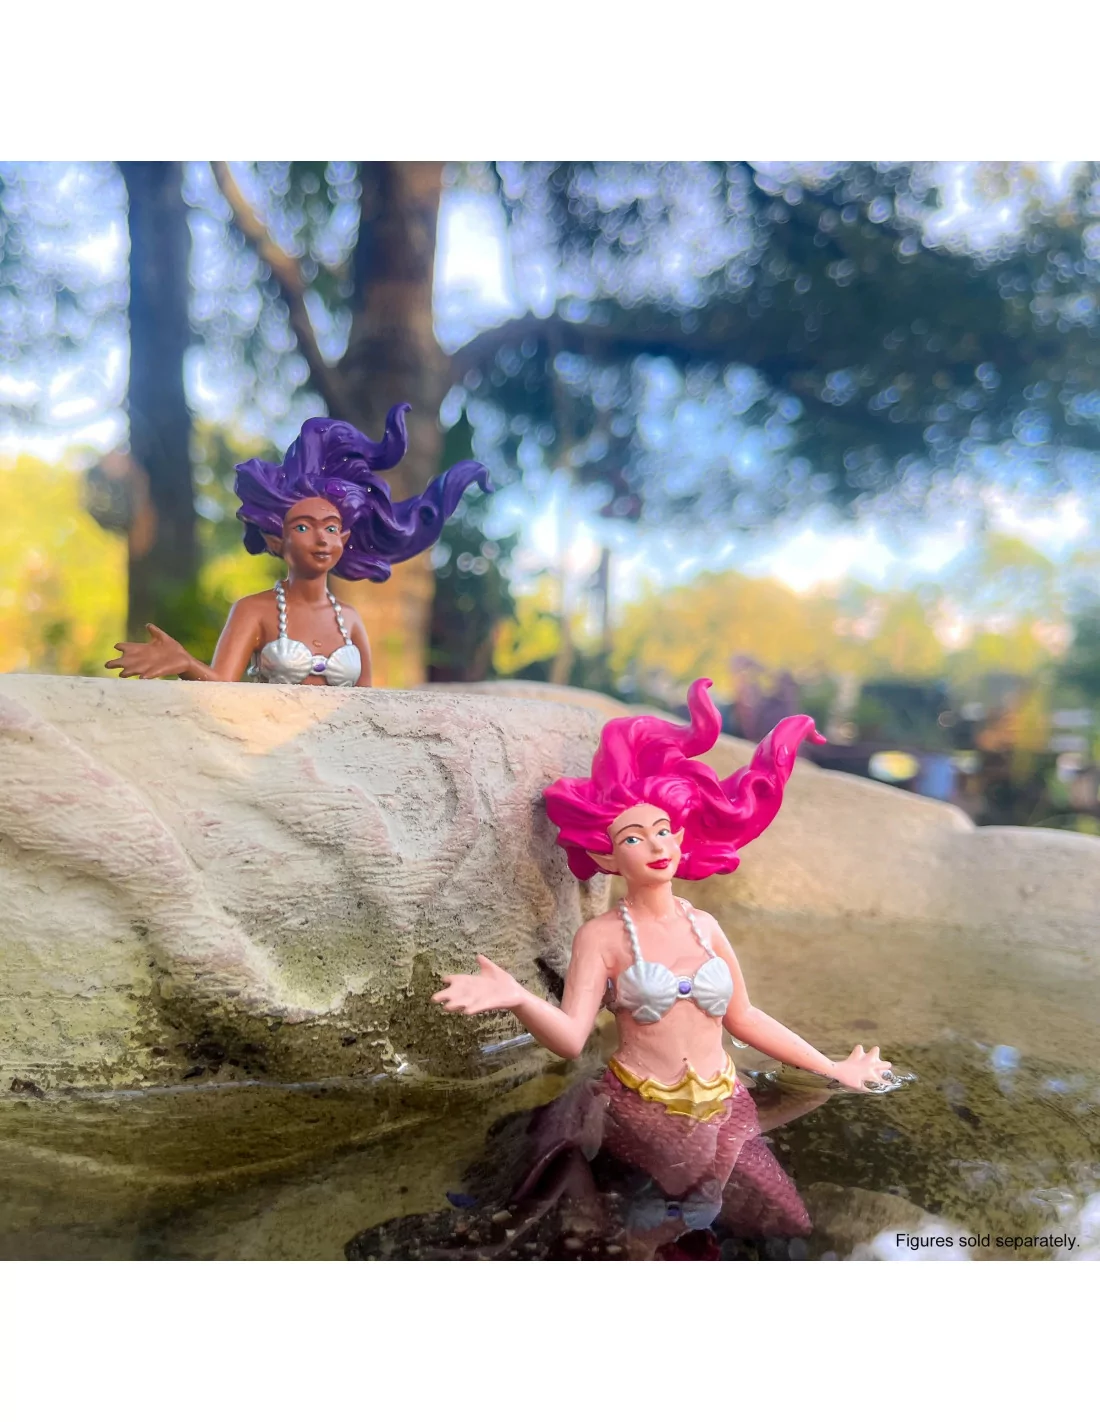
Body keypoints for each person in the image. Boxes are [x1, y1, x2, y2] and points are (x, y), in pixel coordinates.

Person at [433, 678, 893, 1199]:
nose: (656, 845)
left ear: (680, 836)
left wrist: (831, 1068)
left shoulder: (705, 926)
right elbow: (572, 1040)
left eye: (663, 830)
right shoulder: (601, 937)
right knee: (658, 1214)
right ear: (606, 856)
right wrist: (517, 997)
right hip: (641, 1103)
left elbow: (744, 1017)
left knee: (781, 1212)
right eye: (633, 837)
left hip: (724, 1096)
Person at [106, 405, 490, 686]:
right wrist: (185, 663)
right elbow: (223, 687)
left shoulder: (351, 619)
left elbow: (368, 704)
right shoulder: (253, 611)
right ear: (277, 539)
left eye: (331, 528)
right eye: (304, 527)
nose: (321, 539)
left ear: (344, 539)